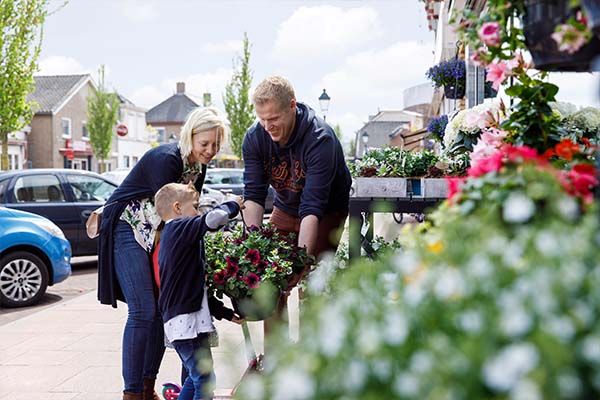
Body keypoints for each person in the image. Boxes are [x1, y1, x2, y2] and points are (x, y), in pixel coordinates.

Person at [97, 107, 229, 400]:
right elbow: (172, 216)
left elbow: (187, 216)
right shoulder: (168, 159)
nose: (210, 150)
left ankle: (147, 386)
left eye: (216, 144)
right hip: (127, 227)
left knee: (160, 307)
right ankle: (132, 393)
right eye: (204, 143)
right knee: (144, 309)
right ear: (190, 135)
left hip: (155, 231)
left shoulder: (198, 167)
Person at [241, 76, 351, 336]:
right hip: (286, 207)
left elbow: (312, 208)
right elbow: (254, 196)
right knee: (271, 281)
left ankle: (311, 357)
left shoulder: (319, 138)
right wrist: (253, 249)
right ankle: (279, 361)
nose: (268, 126)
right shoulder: (255, 138)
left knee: (312, 284)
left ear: (292, 106)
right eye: (262, 119)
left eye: (274, 118)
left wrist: (302, 261)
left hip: (326, 211)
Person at [155, 182, 243, 400]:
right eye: (194, 206)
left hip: (188, 322)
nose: (198, 211)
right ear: (177, 207)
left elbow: (195, 290)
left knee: (196, 379)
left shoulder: (177, 235)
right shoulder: (178, 228)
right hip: (184, 323)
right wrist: (234, 204)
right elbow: (213, 220)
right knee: (203, 379)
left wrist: (226, 314)